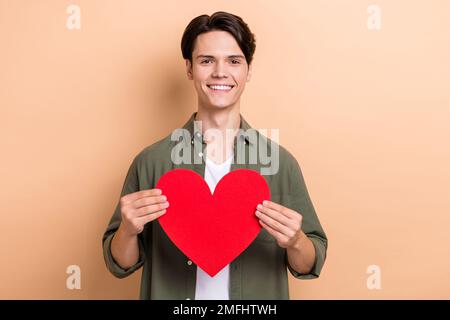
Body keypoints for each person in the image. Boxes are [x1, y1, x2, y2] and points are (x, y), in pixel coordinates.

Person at [102, 11, 327, 300]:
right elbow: (121, 263)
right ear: (189, 68)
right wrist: (128, 230)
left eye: (234, 61)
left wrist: (295, 241)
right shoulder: (151, 162)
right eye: (206, 60)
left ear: (248, 70)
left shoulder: (281, 164)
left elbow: (309, 263)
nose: (220, 72)